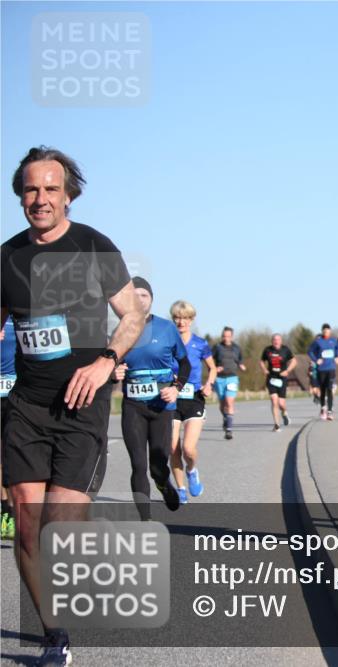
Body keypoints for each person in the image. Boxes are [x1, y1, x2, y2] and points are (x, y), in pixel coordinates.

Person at [1, 146, 145, 665]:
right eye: (30, 190)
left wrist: (107, 360)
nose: (40, 199)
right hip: (27, 406)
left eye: (50, 189)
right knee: (27, 522)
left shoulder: (93, 246)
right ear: (21, 195)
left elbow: (131, 316)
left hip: (81, 406)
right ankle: (54, 634)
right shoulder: (8, 256)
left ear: (68, 195)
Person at [113, 277, 187, 521]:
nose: (139, 299)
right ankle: (144, 519)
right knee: (138, 464)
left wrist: (176, 387)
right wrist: (114, 373)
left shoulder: (166, 328)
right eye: (135, 295)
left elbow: (184, 363)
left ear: (152, 300)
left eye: (144, 295)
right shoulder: (120, 331)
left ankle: (164, 485)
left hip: (162, 407)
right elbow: (108, 367)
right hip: (133, 406)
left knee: (157, 466)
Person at [169, 300, 216, 504]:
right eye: (177, 318)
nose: (181, 322)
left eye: (185, 318)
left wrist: (209, 384)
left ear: (191, 319)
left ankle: (192, 470)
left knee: (188, 448)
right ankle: (180, 488)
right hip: (171, 399)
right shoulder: (167, 342)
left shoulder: (200, 344)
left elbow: (213, 368)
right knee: (172, 448)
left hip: (194, 399)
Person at [212, 326, 245, 440]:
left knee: (229, 402)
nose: (226, 338)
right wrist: (215, 368)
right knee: (222, 405)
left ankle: (229, 430)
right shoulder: (217, 347)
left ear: (232, 336)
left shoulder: (237, 348)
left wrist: (241, 366)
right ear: (222, 336)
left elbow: (240, 360)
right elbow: (209, 362)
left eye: (228, 336)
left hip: (232, 378)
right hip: (219, 379)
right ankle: (226, 418)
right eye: (224, 336)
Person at [260, 333, 296, 431]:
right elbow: (262, 361)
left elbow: (294, 361)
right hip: (271, 378)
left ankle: (284, 413)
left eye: (278, 339)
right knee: (274, 400)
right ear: (272, 341)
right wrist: (264, 369)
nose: (276, 341)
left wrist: (287, 371)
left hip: (282, 379)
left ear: (281, 341)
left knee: (281, 404)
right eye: (274, 340)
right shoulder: (267, 350)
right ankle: (277, 425)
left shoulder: (285, 350)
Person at [1, 317, 17, 540]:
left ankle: (12, 511)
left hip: (17, 396)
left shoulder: (21, 315)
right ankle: (5, 511)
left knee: (14, 457)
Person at [308, 324, 338, 420]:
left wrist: (337, 356)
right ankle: (323, 407)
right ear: (322, 331)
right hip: (321, 369)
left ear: (330, 331)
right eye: (324, 331)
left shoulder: (333, 341)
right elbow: (310, 351)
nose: (326, 332)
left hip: (331, 368)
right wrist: (316, 359)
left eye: (328, 331)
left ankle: (329, 411)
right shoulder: (318, 341)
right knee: (322, 390)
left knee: (329, 389)